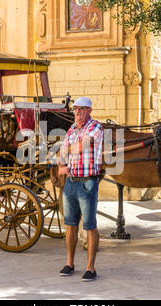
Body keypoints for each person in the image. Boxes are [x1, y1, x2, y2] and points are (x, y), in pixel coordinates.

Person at [57, 96, 104, 282]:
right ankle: (70, 263)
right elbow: (62, 151)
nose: (77, 111)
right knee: (70, 225)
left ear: (89, 110)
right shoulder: (71, 129)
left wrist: (68, 149)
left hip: (87, 182)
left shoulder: (95, 127)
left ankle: (90, 268)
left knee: (90, 226)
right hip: (71, 182)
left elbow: (84, 145)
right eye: (75, 108)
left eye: (82, 108)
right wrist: (61, 166)